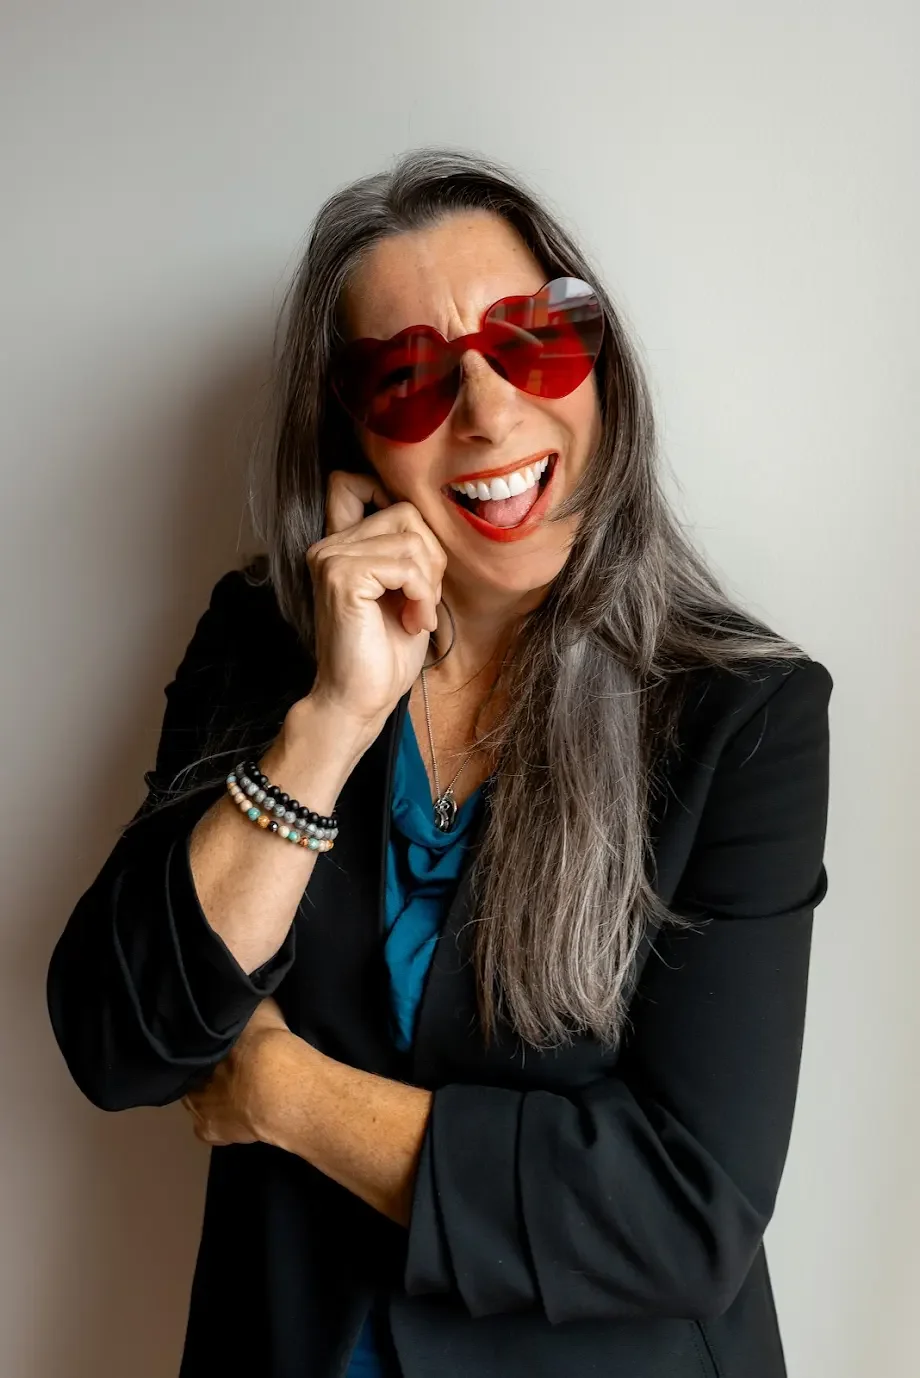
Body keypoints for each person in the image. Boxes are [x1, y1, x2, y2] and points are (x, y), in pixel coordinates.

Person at [46, 149, 832, 1378]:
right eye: (409, 379)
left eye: (533, 341)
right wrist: (333, 719)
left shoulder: (741, 713)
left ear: (601, 370)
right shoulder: (265, 648)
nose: (488, 412)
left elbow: (683, 1213)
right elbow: (119, 1040)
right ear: (351, 437)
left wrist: (284, 1093)